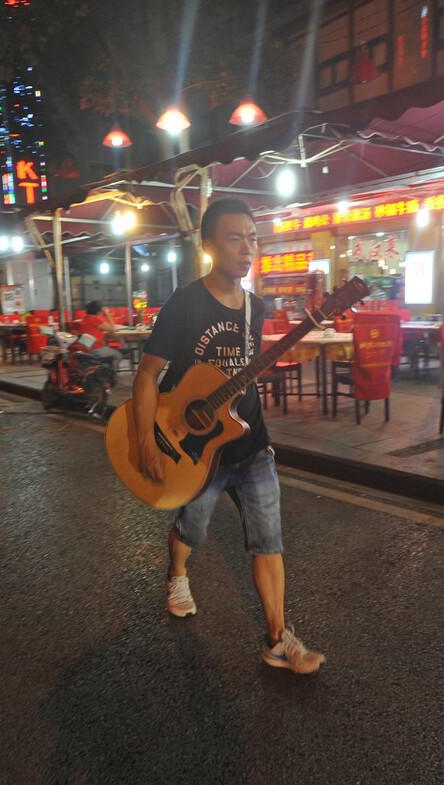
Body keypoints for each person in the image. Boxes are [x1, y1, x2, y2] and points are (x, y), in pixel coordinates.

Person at [133, 197, 325, 675]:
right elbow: (146, 376)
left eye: (253, 238)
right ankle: (177, 572)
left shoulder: (255, 308)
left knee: (269, 541)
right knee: (192, 529)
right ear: (210, 245)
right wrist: (144, 441)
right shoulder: (185, 304)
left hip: (250, 443)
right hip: (196, 449)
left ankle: (278, 639)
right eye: (235, 238)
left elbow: (243, 373)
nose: (247, 248)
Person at [79, 301, 123, 368]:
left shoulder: (85, 319)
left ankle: (103, 369)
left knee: (110, 349)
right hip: (96, 350)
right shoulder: (95, 319)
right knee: (118, 355)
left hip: (87, 349)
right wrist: (108, 314)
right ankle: (109, 373)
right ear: (98, 311)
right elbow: (112, 329)